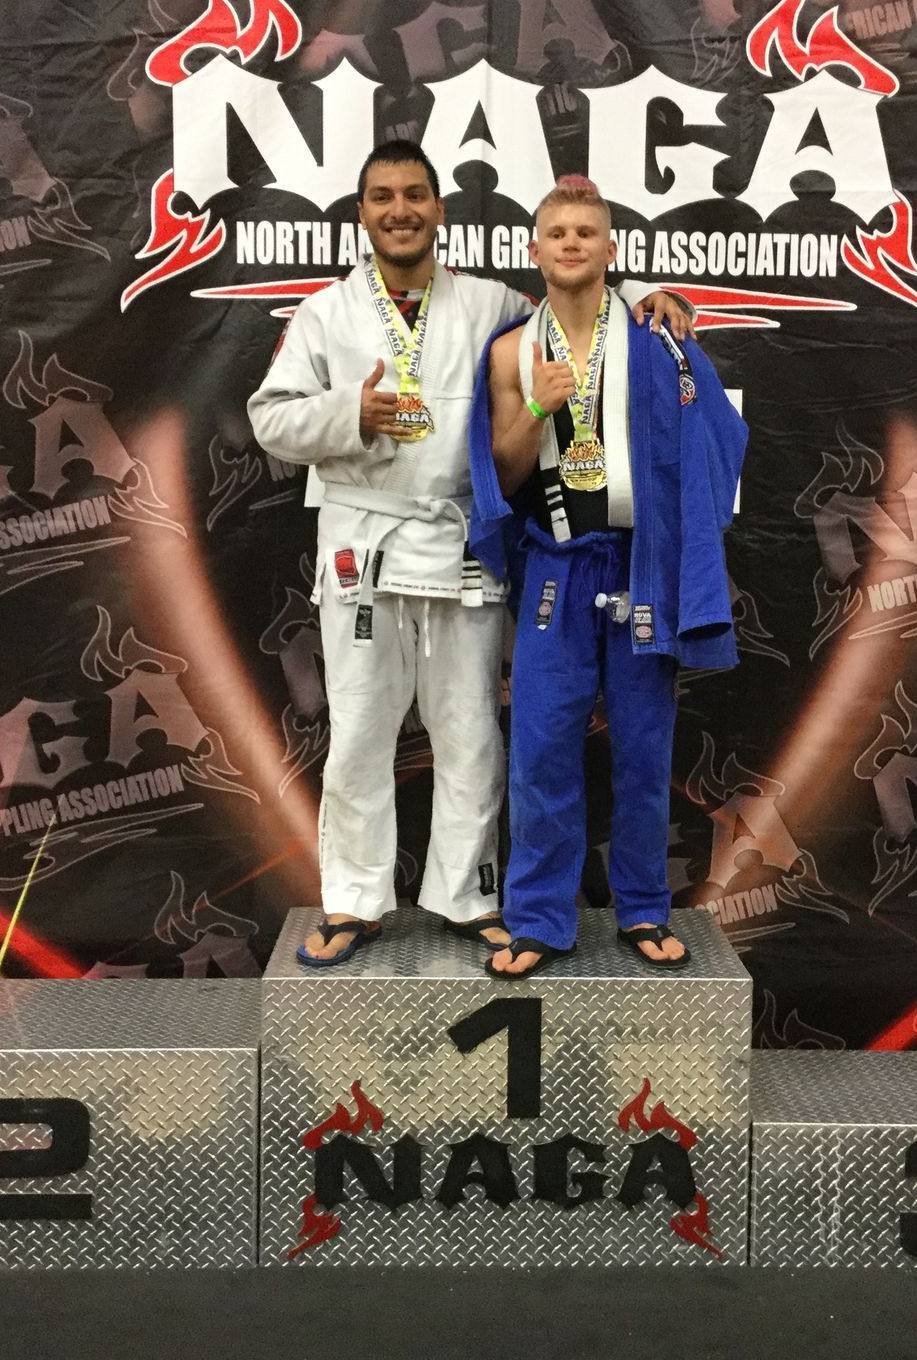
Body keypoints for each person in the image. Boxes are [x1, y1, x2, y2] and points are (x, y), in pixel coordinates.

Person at [247, 142, 692, 965]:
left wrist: (638, 292)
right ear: (362, 214)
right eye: (382, 197)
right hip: (364, 546)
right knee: (359, 733)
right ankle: (352, 899)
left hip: (461, 543)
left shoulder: (489, 304)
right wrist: (352, 412)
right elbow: (269, 419)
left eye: (415, 195)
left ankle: (466, 893)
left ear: (439, 210)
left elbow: (573, 300)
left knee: (470, 733)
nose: (400, 210)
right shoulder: (324, 314)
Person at [468, 176, 747, 978]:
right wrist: (536, 411)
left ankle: (645, 910)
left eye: (587, 232)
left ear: (611, 249)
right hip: (557, 568)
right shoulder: (509, 352)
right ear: (534, 249)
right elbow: (503, 475)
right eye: (557, 232)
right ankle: (539, 920)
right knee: (542, 750)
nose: (571, 243)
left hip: (640, 568)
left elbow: (718, 443)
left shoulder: (659, 338)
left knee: (644, 748)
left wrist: (690, 535)